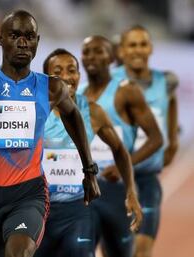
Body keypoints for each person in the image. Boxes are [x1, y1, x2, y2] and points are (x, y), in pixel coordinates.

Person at [0, 10, 100, 257]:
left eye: (29, 36)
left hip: (28, 194)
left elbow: (73, 115)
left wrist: (89, 170)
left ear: (37, 41)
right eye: (15, 35)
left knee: (18, 253)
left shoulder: (50, 87)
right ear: (0, 39)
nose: (23, 42)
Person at [35, 48, 142, 257]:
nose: (66, 76)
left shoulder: (92, 112)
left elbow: (120, 149)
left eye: (72, 70)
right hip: (38, 211)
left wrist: (130, 191)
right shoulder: (35, 110)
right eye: (58, 71)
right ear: (47, 78)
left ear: (79, 75)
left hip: (77, 210)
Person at [78, 35, 163, 257]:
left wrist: (122, 166)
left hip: (116, 189)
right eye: (87, 52)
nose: (92, 57)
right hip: (84, 190)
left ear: (111, 57)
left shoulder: (126, 91)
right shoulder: (78, 93)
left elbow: (156, 139)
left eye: (99, 51)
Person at [113, 25, 179, 257]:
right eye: (132, 45)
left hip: (148, 179)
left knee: (142, 249)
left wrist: (173, 140)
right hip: (115, 183)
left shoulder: (166, 81)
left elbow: (170, 103)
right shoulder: (109, 83)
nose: (138, 50)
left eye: (143, 44)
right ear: (121, 51)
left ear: (150, 48)